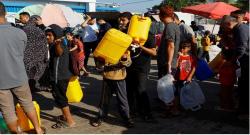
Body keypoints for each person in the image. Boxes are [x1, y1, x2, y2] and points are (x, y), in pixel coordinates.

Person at [0, 2, 44, 133]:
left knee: (8, 111)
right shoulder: (20, 33)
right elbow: (21, 53)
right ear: (5, 13)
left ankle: (18, 132)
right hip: (20, 76)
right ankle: (38, 129)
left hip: (1, 81)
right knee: (28, 104)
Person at [90, 12, 134, 128]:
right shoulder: (105, 44)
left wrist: (124, 59)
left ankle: (127, 118)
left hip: (120, 76)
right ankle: (100, 117)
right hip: (108, 75)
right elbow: (99, 62)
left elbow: (129, 63)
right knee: (104, 100)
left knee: (123, 100)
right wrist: (100, 65)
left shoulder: (125, 45)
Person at [46, 24, 76, 128]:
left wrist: (57, 44)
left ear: (56, 35)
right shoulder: (63, 41)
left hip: (58, 76)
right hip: (64, 75)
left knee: (60, 98)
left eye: (49, 35)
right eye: (46, 35)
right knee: (62, 97)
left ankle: (69, 121)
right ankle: (65, 116)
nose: (47, 37)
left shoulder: (58, 44)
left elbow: (59, 53)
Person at [126, 26, 157, 122]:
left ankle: (147, 113)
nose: (121, 22)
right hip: (129, 66)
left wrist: (140, 46)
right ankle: (132, 111)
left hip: (142, 67)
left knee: (141, 89)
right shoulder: (126, 33)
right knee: (129, 90)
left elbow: (153, 52)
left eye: (123, 20)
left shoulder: (148, 35)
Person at [221, 15, 249, 120]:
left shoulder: (241, 29)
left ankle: (245, 113)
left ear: (228, 24)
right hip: (244, 62)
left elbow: (241, 49)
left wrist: (232, 61)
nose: (224, 30)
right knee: (243, 87)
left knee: (245, 88)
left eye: (224, 27)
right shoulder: (239, 29)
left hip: (246, 62)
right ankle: (243, 110)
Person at [23, 16, 48, 92]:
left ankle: (26, 87)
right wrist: (45, 57)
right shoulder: (40, 31)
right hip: (38, 56)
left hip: (26, 56)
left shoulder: (23, 29)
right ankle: (35, 86)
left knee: (27, 72)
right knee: (36, 72)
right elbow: (45, 44)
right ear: (36, 20)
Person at [173, 42, 197, 115]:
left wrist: (190, 77)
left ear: (189, 48)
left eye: (184, 48)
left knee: (186, 93)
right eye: (181, 48)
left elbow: (194, 68)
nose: (182, 49)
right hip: (178, 77)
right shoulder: (180, 56)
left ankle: (186, 106)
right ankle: (177, 107)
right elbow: (176, 66)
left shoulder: (191, 57)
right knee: (176, 92)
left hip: (186, 78)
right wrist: (178, 57)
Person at [157, 5, 180, 78]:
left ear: (161, 15)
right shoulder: (175, 25)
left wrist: (169, 63)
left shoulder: (169, 27)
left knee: (165, 87)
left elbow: (171, 46)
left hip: (166, 63)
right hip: (171, 62)